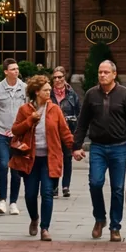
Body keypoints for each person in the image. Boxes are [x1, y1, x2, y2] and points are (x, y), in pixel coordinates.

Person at [72, 58, 126, 242]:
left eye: (106, 72)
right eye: (100, 72)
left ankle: (115, 227)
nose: (102, 75)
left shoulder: (124, 94)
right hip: (98, 148)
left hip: (119, 147)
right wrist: (76, 146)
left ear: (114, 74)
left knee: (118, 188)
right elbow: (82, 122)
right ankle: (99, 219)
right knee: (95, 183)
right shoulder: (91, 95)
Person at [11, 73, 74, 241]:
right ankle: (34, 218)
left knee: (47, 192)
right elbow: (16, 130)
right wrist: (30, 120)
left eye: (49, 89)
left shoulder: (55, 110)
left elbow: (65, 132)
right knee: (31, 194)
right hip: (30, 159)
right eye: (46, 90)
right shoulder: (25, 110)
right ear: (37, 92)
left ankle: (44, 228)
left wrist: (75, 148)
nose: (49, 92)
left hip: (49, 158)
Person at [0, 60, 27, 215]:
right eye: (13, 69)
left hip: (18, 135)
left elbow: (29, 111)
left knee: (15, 169)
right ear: (6, 72)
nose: (16, 71)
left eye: (17, 69)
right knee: (3, 164)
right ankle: (2, 200)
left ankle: (13, 202)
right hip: (1, 133)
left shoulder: (24, 88)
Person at [50, 68, 80, 197]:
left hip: (68, 130)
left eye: (60, 77)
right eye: (55, 77)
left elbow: (78, 113)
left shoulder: (72, 95)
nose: (57, 80)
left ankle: (66, 186)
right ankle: (54, 186)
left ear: (64, 78)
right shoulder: (49, 94)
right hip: (53, 132)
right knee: (55, 158)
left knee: (67, 158)